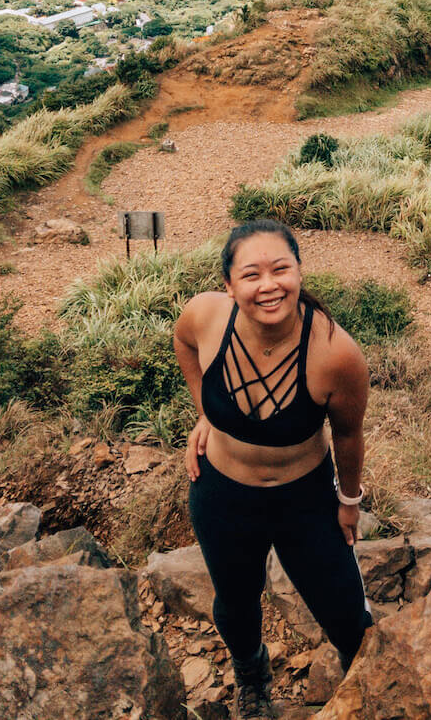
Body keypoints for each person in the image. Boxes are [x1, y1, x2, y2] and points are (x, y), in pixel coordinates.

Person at [174, 219, 372, 718]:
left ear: (300, 272)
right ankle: (253, 676)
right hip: (221, 494)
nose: (268, 285)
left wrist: (348, 503)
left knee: (345, 610)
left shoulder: (335, 354)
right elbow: (183, 345)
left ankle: (367, 684)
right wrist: (205, 412)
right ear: (229, 285)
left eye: (281, 269)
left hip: (303, 501)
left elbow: (348, 435)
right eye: (251, 275)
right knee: (235, 602)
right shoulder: (205, 317)